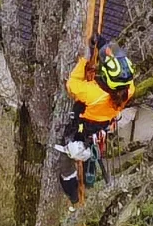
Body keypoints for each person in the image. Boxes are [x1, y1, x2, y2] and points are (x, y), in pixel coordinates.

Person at [55, 35, 135, 206]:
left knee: (66, 161)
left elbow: (72, 84)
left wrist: (84, 61)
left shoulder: (92, 93)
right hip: (103, 124)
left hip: (83, 127)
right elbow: (116, 65)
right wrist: (102, 43)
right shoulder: (129, 90)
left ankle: (73, 194)